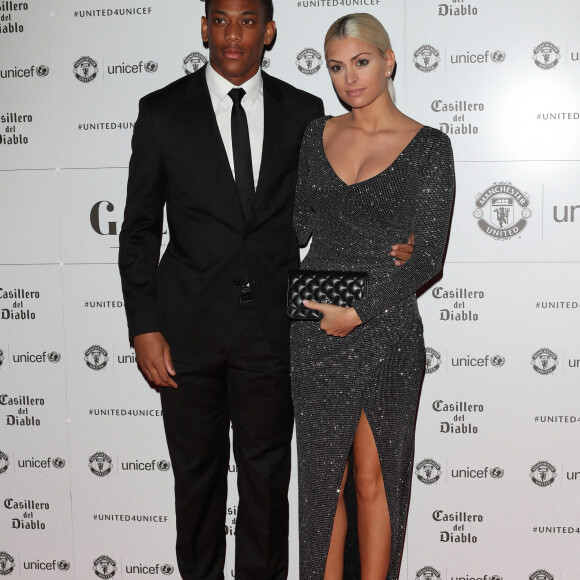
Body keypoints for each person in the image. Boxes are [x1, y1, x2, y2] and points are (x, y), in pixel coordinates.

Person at [119, 1, 414, 578]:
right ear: (205, 27)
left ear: (269, 31)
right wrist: (144, 326)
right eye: (222, 20)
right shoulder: (161, 112)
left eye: (248, 21)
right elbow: (137, 231)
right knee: (196, 489)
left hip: (276, 335)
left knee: (267, 491)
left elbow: (328, 211)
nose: (234, 34)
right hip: (187, 335)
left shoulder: (303, 114)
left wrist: (399, 242)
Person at [291, 13, 455, 580]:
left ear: (388, 61)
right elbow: (295, 228)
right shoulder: (317, 135)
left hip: (384, 328)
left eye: (360, 62)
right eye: (336, 67)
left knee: (373, 475)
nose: (349, 78)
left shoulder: (429, 147)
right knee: (320, 484)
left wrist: (358, 312)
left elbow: (429, 256)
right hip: (314, 330)